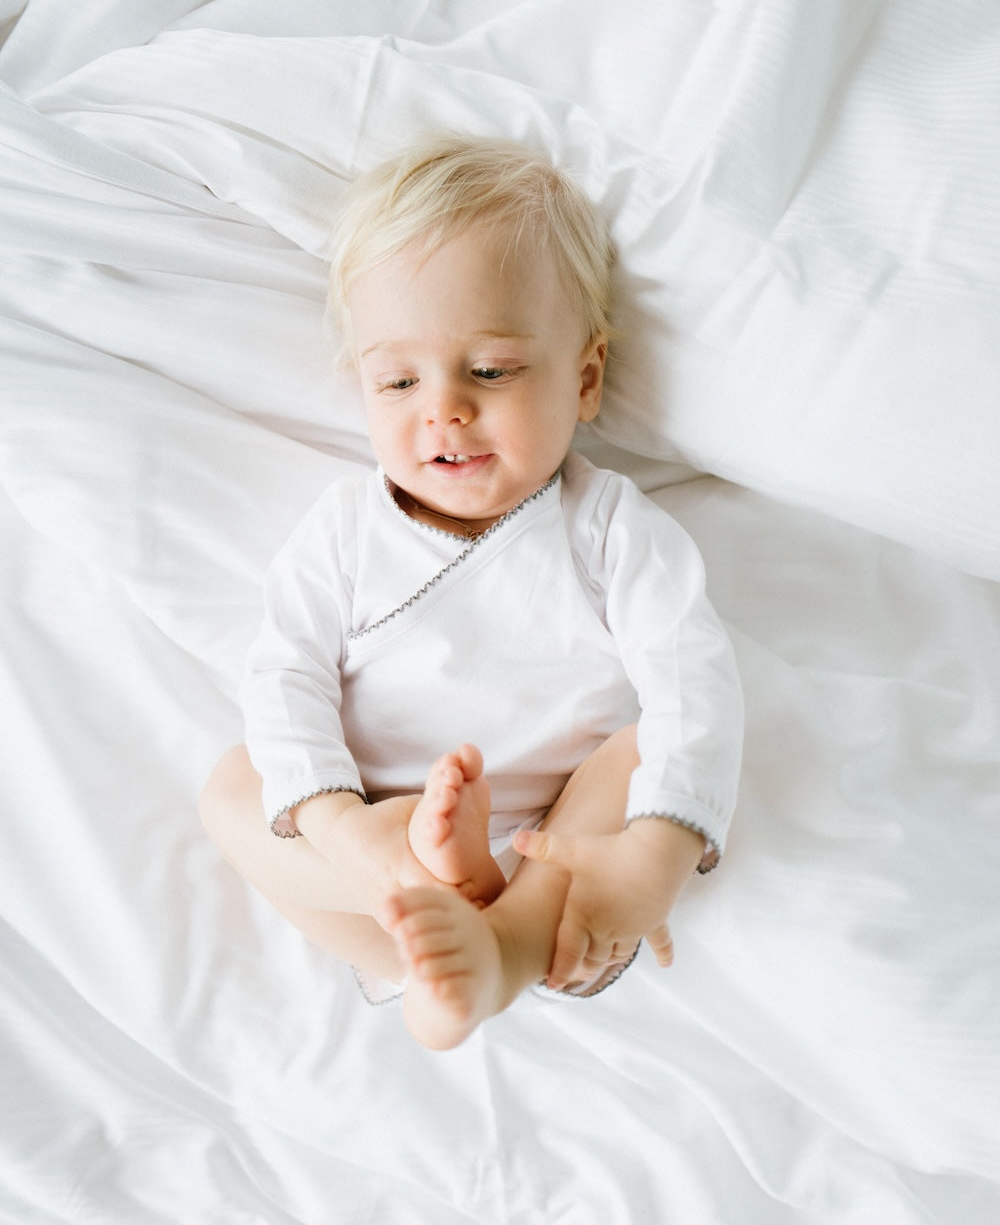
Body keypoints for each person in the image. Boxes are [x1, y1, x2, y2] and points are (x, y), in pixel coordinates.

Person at [199, 136, 743, 1051]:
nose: (442, 408)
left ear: (585, 377)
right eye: (399, 380)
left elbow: (697, 683)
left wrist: (654, 851)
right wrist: (343, 829)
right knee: (235, 785)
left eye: (490, 370)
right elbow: (284, 674)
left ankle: (496, 949)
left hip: (552, 848)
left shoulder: (613, 530)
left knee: (647, 746)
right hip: (372, 832)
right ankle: (426, 932)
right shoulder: (342, 531)